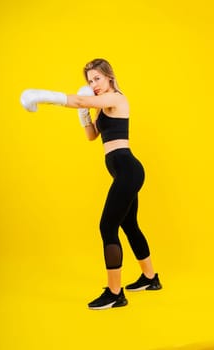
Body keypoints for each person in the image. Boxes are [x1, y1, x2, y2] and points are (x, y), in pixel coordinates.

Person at [20, 58, 162, 310]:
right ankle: (150, 278)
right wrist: (83, 114)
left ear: (109, 77)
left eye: (97, 78)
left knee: (107, 227)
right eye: (89, 81)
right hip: (122, 172)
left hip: (128, 169)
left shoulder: (117, 98)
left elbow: (81, 99)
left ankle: (115, 293)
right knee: (129, 224)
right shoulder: (100, 106)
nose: (93, 84)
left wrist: (41, 96)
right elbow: (91, 136)